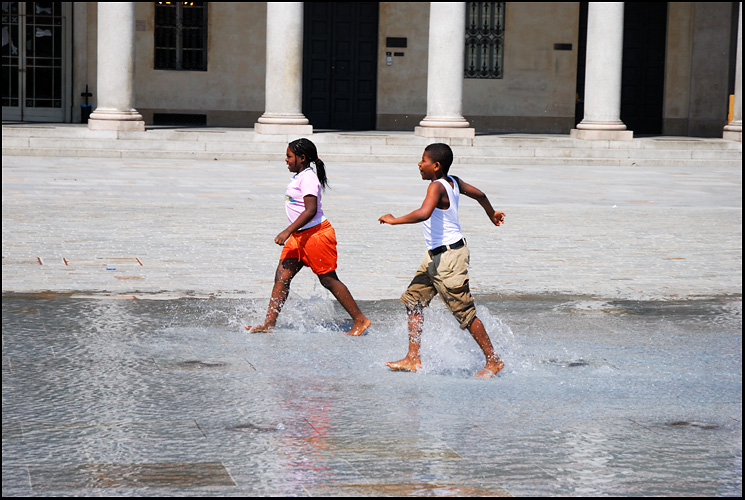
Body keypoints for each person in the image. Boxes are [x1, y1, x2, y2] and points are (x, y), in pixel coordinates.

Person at [378, 143, 505, 378]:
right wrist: (492, 214)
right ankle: (412, 358)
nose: (419, 164)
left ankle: (494, 360)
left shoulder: (436, 187)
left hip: (449, 259)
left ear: (435, 166)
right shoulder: (453, 181)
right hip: (434, 256)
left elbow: (424, 213)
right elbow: (480, 195)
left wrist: (395, 220)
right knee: (413, 300)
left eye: (423, 160)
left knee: (464, 313)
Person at [246, 138, 371, 336]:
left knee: (328, 280)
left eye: (289, 156)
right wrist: (292, 233)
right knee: (281, 277)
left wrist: (286, 231)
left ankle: (360, 319)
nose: (285, 160)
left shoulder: (308, 178)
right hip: (298, 237)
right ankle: (269, 323)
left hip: (316, 235)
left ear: (302, 158)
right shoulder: (299, 176)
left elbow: (310, 210)